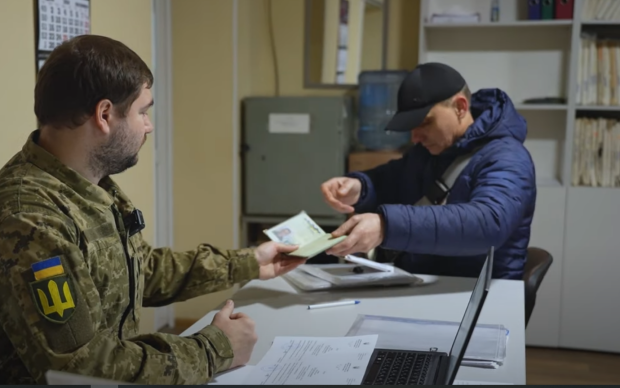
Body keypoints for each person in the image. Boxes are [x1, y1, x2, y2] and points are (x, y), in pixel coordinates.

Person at [0, 35, 306, 385]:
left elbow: (142, 271)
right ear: (104, 114)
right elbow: (81, 369)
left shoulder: (88, 186)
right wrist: (215, 348)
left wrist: (250, 262)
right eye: (142, 111)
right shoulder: (30, 219)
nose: (148, 125)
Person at [320, 62, 536, 280]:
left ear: (460, 107)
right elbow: (390, 180)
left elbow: (488, 223)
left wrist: (387, 226)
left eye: (424, 123)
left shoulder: (508, 157)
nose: (415, 137)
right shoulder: (428, 152)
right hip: (426, 285)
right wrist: (360, 187)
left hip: (479, 296)